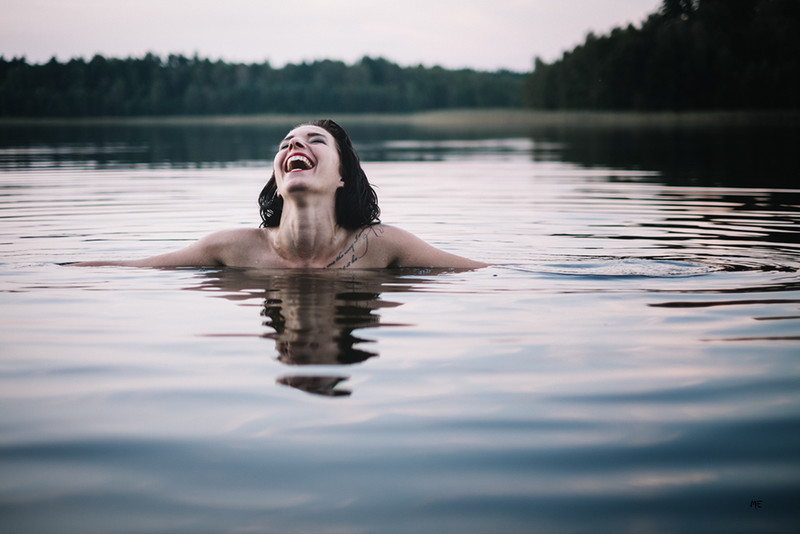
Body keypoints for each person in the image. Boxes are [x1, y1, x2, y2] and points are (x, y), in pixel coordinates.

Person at [77, 119, 486, 270]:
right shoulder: (232, 249)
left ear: (342, 175)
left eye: (314, 141)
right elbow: (134, 267)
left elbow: (481, 272)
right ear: (278, 178)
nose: (295, 147)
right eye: (286, 143)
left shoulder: (380, 246)